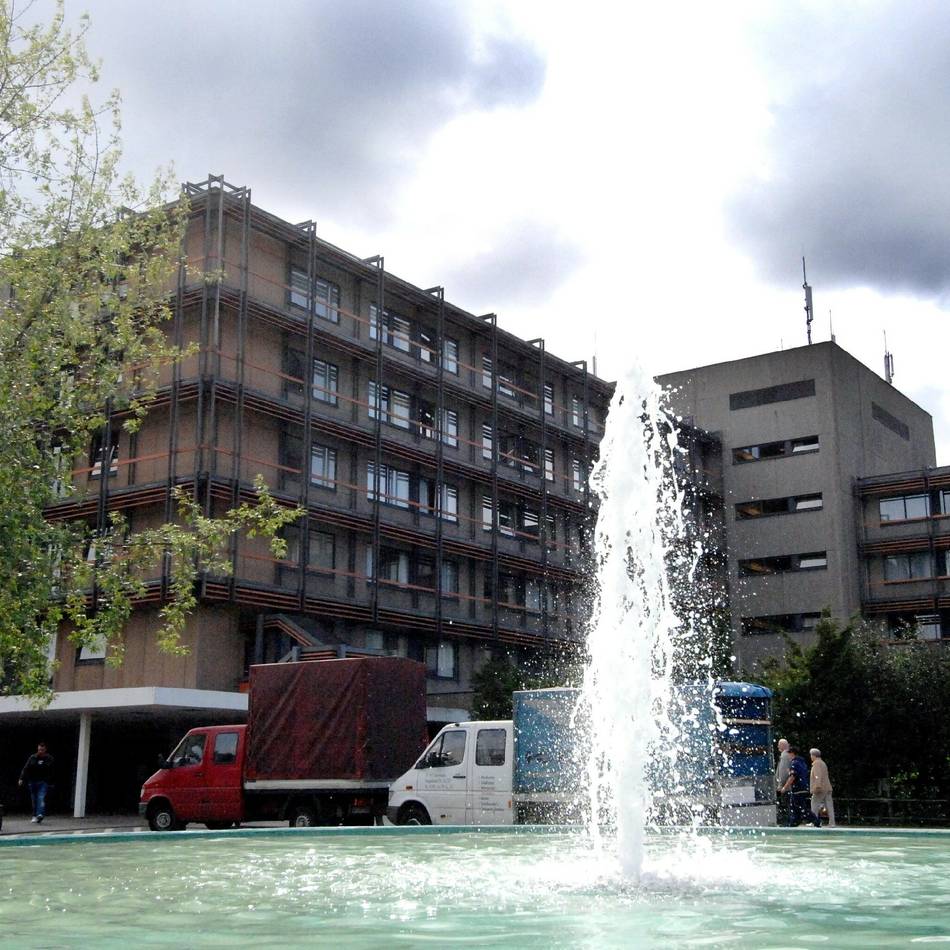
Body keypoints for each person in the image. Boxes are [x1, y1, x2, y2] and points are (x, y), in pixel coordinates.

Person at [779, 746, 820, 827]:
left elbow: (792, 777)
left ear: (792, 753)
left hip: (798, 788)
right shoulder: (802, 762)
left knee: (801, 807)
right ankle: (794, 822)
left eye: (789, 754)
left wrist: (784, 787)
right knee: (795, 806)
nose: (788, 756)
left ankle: (815, 820)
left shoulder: (794, 763)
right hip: (803, 787)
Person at [19, 742, 54, 824]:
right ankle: (34, 815)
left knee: (41, 797)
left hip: (43, 781)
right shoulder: (33, 757)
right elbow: (26, 768)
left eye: (42, 750)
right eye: (39, 750)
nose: (40, 751)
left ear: (45, 750)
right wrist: (21, 778)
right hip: (32, 781)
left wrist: (51, 782)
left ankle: (40, 814)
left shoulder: (49, 758)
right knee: (34, 799)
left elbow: (52, 770)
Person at [810, 748, 836, 828]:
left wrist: (816, 787)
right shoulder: (822, 763)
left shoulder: (816, 763)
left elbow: (818, 776)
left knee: (814, 804)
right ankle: (832, 823)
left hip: (820, 788)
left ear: (813, 755)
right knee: (829, 805)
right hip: (827, 787)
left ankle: (814, 821)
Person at [775, 738, 792, 825]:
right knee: (787, 805)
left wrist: (781, 785)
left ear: (782, 745)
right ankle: (788, 821)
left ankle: (785, 823)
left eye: (779, 744)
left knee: (784, 805)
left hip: (785, 787)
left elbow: (783, 772)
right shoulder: (788, 754)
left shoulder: (784, 755)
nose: (778, 746)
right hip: (788, 786)